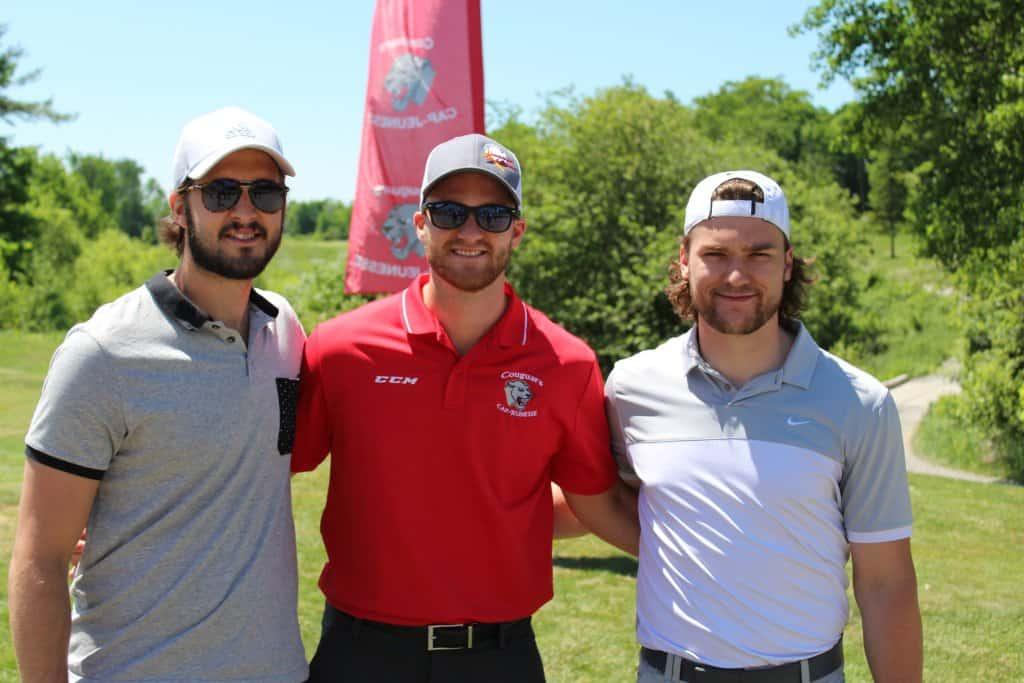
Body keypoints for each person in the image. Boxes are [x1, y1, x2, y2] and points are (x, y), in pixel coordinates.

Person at [292, 133, 640, 682]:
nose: (472, 231)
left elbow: (596, 505)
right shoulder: (340, 349)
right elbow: (263, 471)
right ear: (421, 224)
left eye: (494, 215)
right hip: (360, 653)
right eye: (451, 212)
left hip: (498, 658)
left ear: (517, 231)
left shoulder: (567, 365)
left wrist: (711, 560)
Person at [8, 106, 309, 683]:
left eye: (265, 195)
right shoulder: (102, 352)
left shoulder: (285, 331)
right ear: (179, 206)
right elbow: (40, 558)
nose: (246, 212)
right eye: (221, 193)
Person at [605, 171, 922, 683]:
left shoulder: (860, 402)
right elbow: (607, 497)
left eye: (759, 255)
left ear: (788, 264)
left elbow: (886, 584)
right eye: (716, 255)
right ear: (684, 261)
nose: (737, 276)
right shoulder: (631, 389)